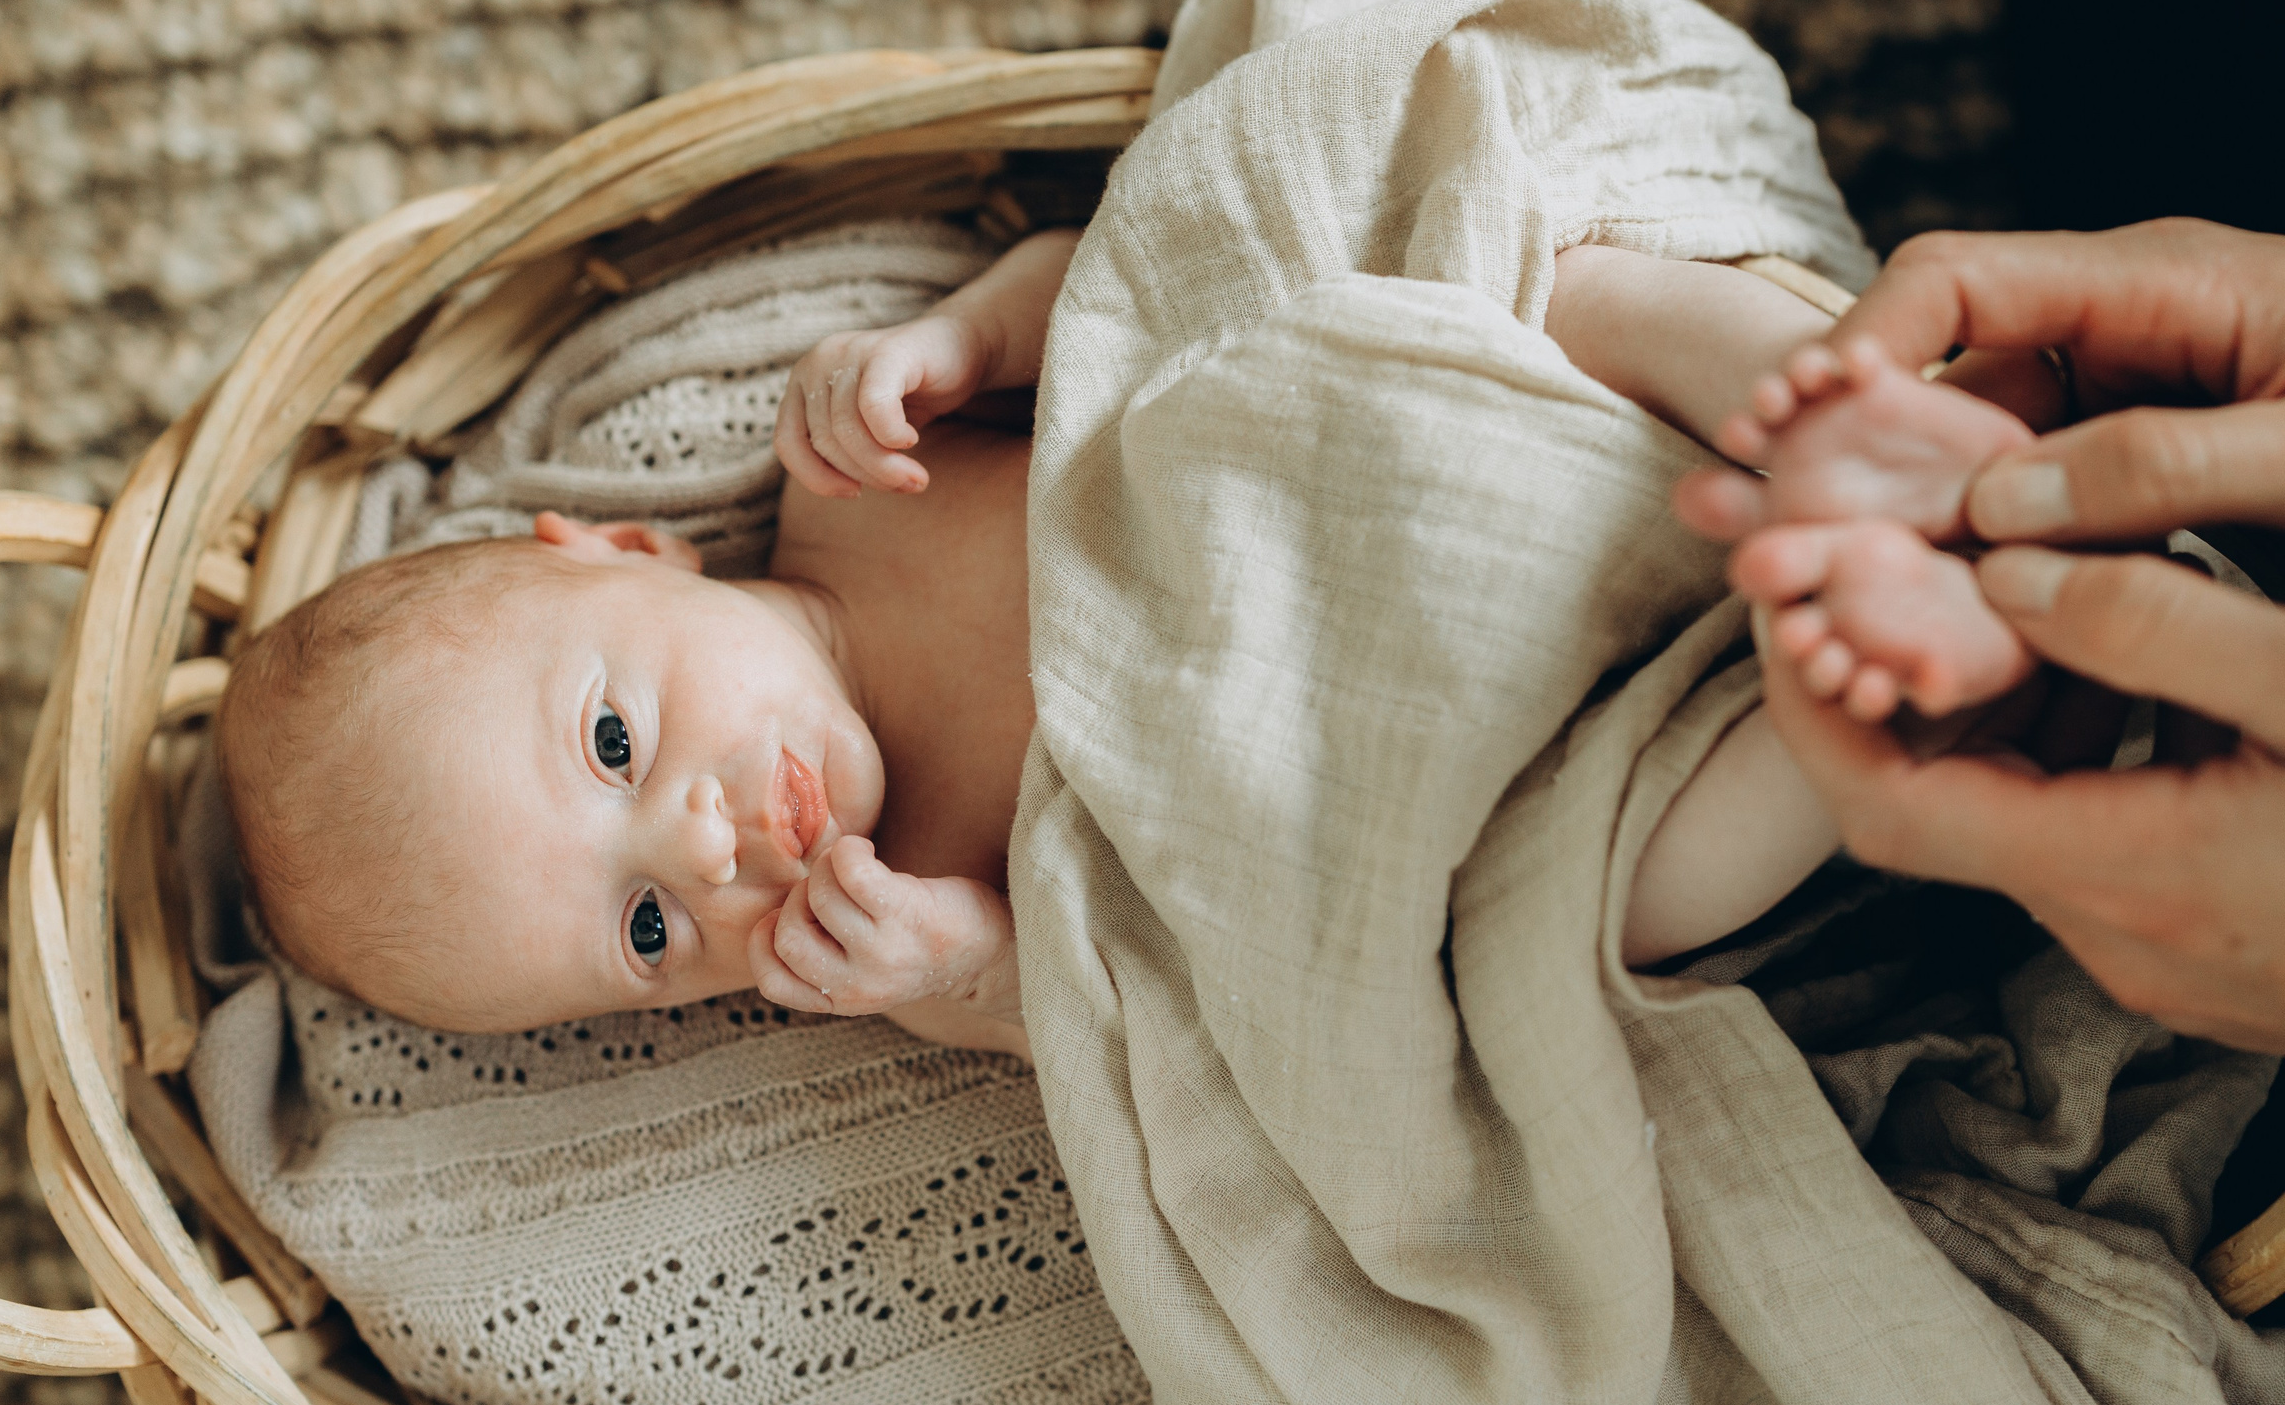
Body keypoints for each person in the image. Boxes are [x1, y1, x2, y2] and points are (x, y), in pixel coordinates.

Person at [212, 225, 2064, 1049]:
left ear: (627, 549)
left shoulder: (860, 472)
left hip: (1436, 460)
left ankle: (1819, 410)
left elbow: (1156, 283)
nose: (698, 852)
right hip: (1484, 768)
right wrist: (958, 972)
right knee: (1595, 912)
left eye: (612, 746)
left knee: (1532, 274)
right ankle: (1861, 718)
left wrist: (978, 331)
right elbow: (1120, 1032)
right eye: (641, 934)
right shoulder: (911, 912)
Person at [1704, 218, 2285, 1051]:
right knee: (1721, 327)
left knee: (1667, 889)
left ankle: (1955, 637)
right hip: (2181, 544)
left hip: (2185, 760)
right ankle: (1899, 493)